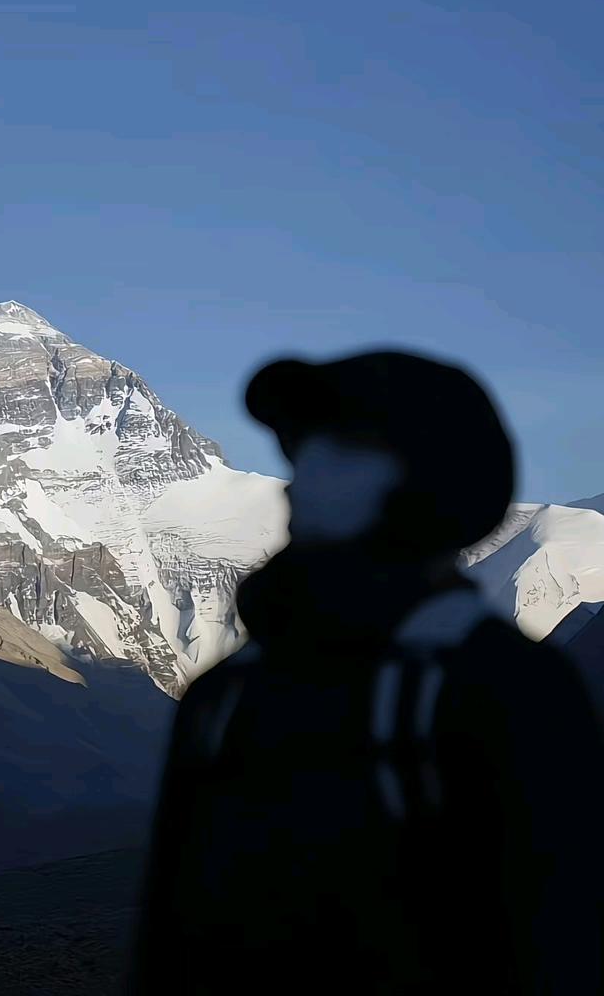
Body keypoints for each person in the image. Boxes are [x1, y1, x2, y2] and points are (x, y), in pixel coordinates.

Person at [126, 349, 604, 995]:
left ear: (428, 479)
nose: (301, 477)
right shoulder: (228, 691)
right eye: (304, 449)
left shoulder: (499, 686)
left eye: (342, 448)